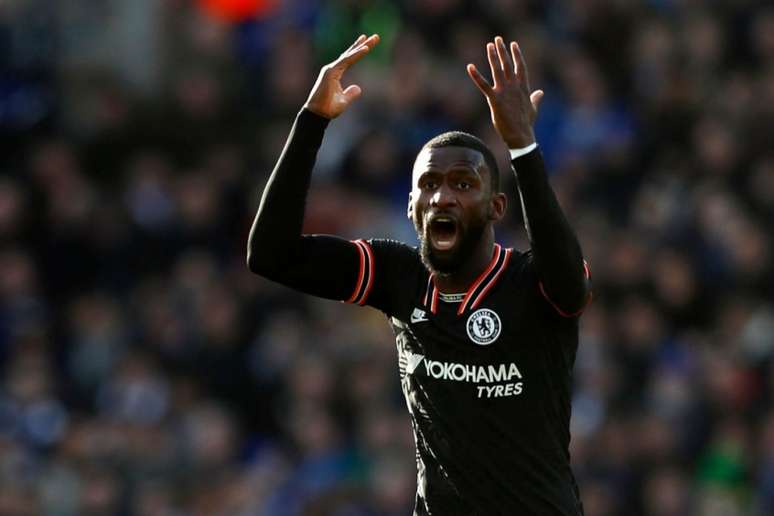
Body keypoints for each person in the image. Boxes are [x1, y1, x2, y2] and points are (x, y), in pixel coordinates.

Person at [247, 33, 591, 516]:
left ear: (496, 207)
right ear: (410, 207)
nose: (442, 197)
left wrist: (523, 149)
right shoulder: (399, 276)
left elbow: (571, 283)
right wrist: (312, 122)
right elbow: (270, 255)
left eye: (463, 184)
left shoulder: (531, 281)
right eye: (428, 185)